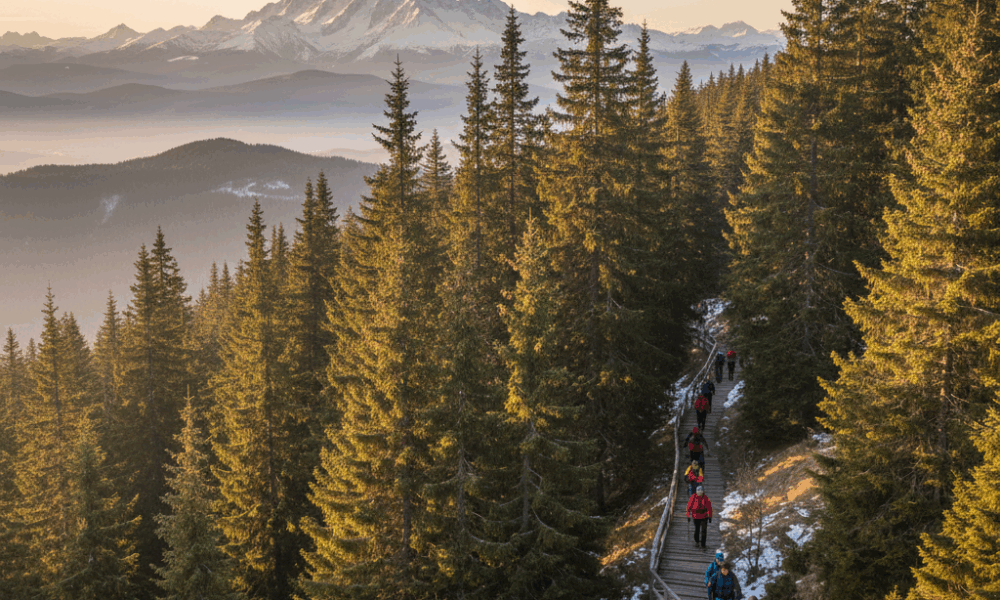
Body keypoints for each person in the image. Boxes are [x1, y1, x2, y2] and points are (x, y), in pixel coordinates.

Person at [686, 485, 713, 549]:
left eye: (701, 492)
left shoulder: (705, 498)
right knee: (697, 530)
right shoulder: (693, 497)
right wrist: (688, 516)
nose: (700, 493)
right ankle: (697, 541)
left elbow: (709, 507)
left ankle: (703, 544)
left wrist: (710, 516)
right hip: (695, 516)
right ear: (696, 492)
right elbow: (688, 507)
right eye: (698, 492)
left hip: (704, 516)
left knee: (704, 530)